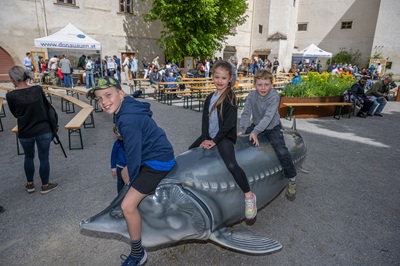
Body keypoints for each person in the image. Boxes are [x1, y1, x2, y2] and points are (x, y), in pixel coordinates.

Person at [86, 76, 175, 266]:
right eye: (99, 98)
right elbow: (132, 147)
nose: (104, 102)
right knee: (128, 184)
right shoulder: (124, 107)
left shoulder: (127, 119)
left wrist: (131, 181)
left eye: (108, 95)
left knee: (127, 205)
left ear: (121, 93)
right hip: (150, 154)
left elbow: (133, 154)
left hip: (158, 161)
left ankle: (138, 253)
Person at [189, 60, 257, 220]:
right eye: (217, 77)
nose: (220, 81)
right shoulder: (209, 98)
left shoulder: (230, 97)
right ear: (212, 77)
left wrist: (215, 140)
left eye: (223, 78)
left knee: (231, 165)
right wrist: (205, 138)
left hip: (224, 135)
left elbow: (228, 124)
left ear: (230, 79)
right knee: (190, 151)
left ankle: (248, 195)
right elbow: (205, 121)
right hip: (211, 135)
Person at [237, 69, 297, 201]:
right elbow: (246, 113)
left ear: (272, 84)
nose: (263, 88)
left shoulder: (274, 96)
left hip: (271, 126)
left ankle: (292, 178)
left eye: (266, 84)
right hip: (257, 124)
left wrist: (255, 132)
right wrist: (242, 129)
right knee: (241, 142)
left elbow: (268, 117)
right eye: (259, 84)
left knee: (281, 150)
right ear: (254, 85)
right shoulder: (252, 96)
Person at [6, 66, 59, 194]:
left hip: (25, 131)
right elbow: (46, 107)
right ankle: (45, 185)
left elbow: (15, 114)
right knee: (44, 158)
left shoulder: (10, 95)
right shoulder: (37, 89)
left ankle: (30, 184)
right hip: (43, 129)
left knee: (28, 157)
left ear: (13, 79)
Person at [111, 126, 127, 194]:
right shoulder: (117, 143)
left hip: (129, 166)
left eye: (118, 133)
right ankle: (120, 196)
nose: (117, 136)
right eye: (116, 134)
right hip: (120, 166)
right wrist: (113, 168)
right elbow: (113, 155)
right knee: (120, 182)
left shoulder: (128, 142)